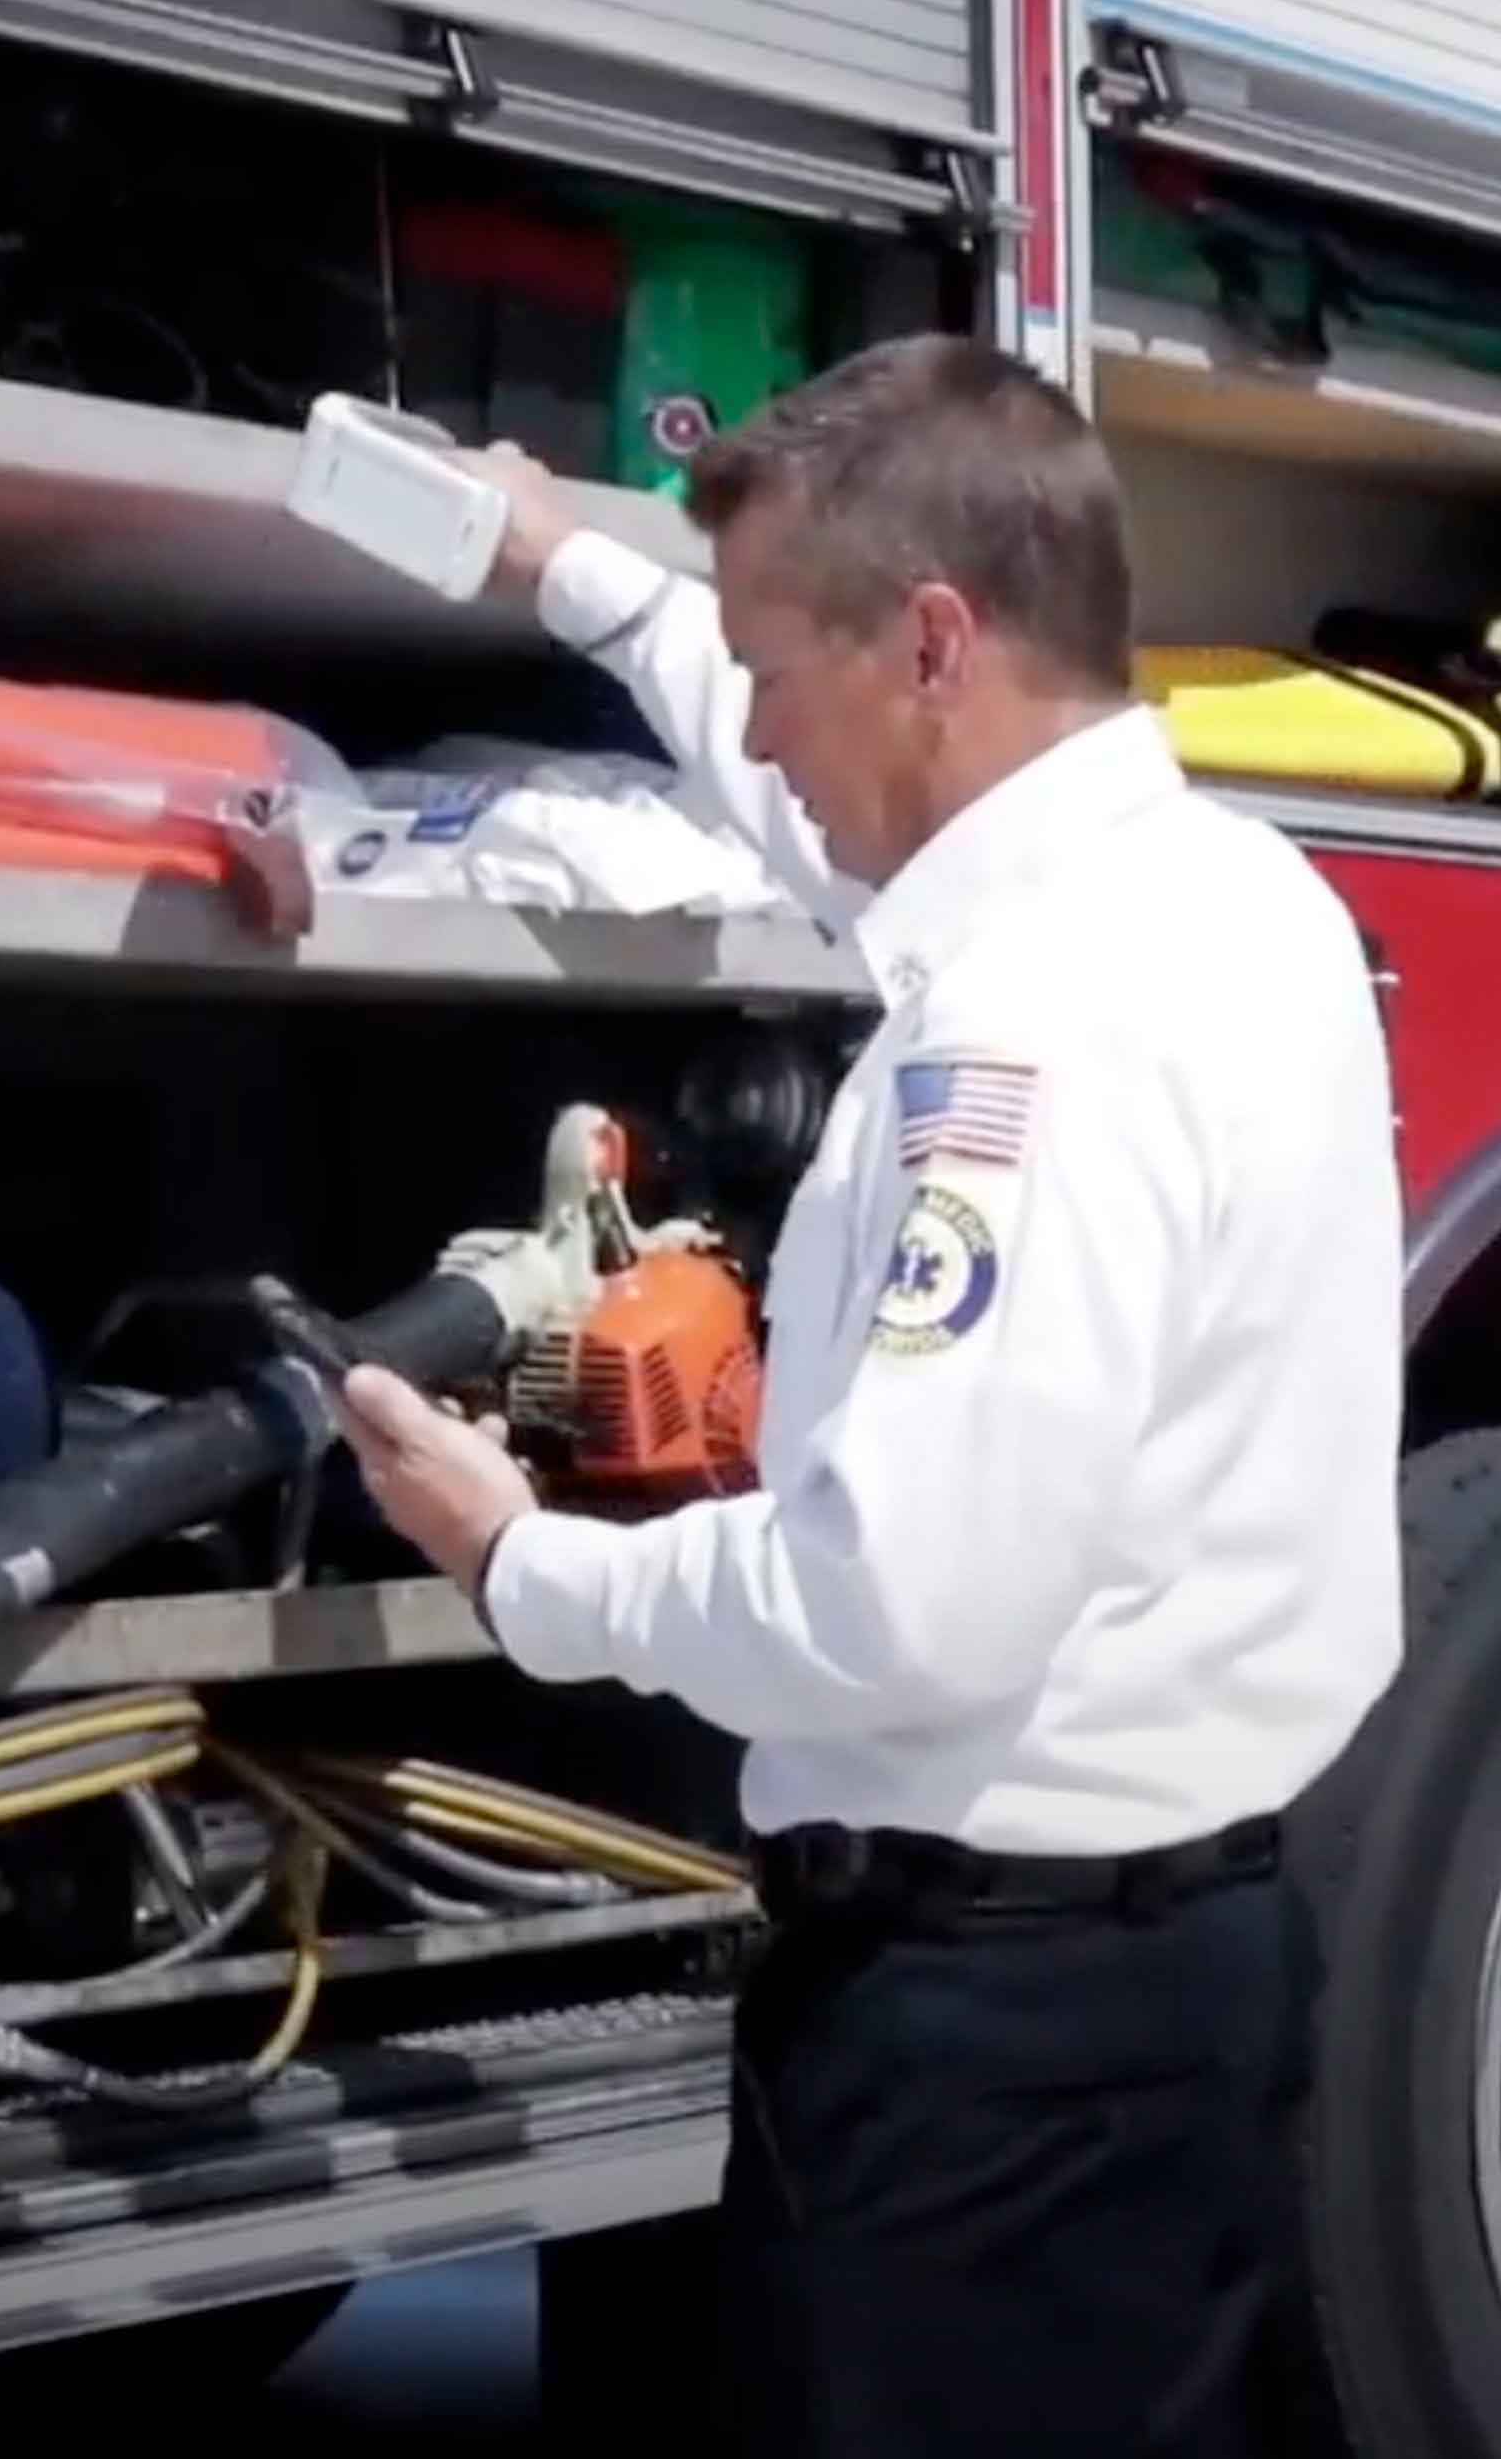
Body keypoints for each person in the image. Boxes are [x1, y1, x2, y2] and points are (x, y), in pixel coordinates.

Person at [332, 332, 1405, 2458]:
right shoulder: (1233, 902)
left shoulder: (1016, 1042)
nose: (756, 736)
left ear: (931, 643)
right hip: (1180, 1981)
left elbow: (898, 1605)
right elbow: (835, 829)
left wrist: (528, 1564)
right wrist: (570, 566)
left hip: (987, 2057)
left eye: (772, 670)